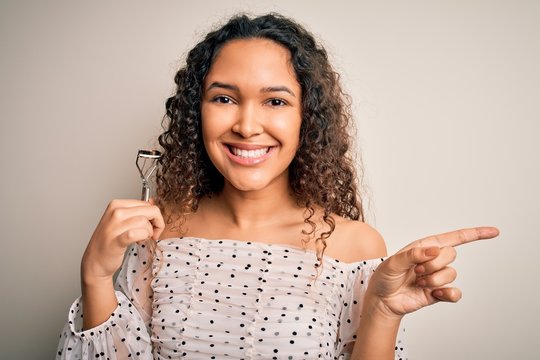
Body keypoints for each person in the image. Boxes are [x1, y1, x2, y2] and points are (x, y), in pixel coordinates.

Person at [56, 13, 498, 360]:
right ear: (198, 112)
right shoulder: (158, 232)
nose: (247, 126)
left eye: (276, 101)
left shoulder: (355, 246)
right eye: (224, 98)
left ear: (308, 119)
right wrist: (95, 275)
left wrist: (382, 313)